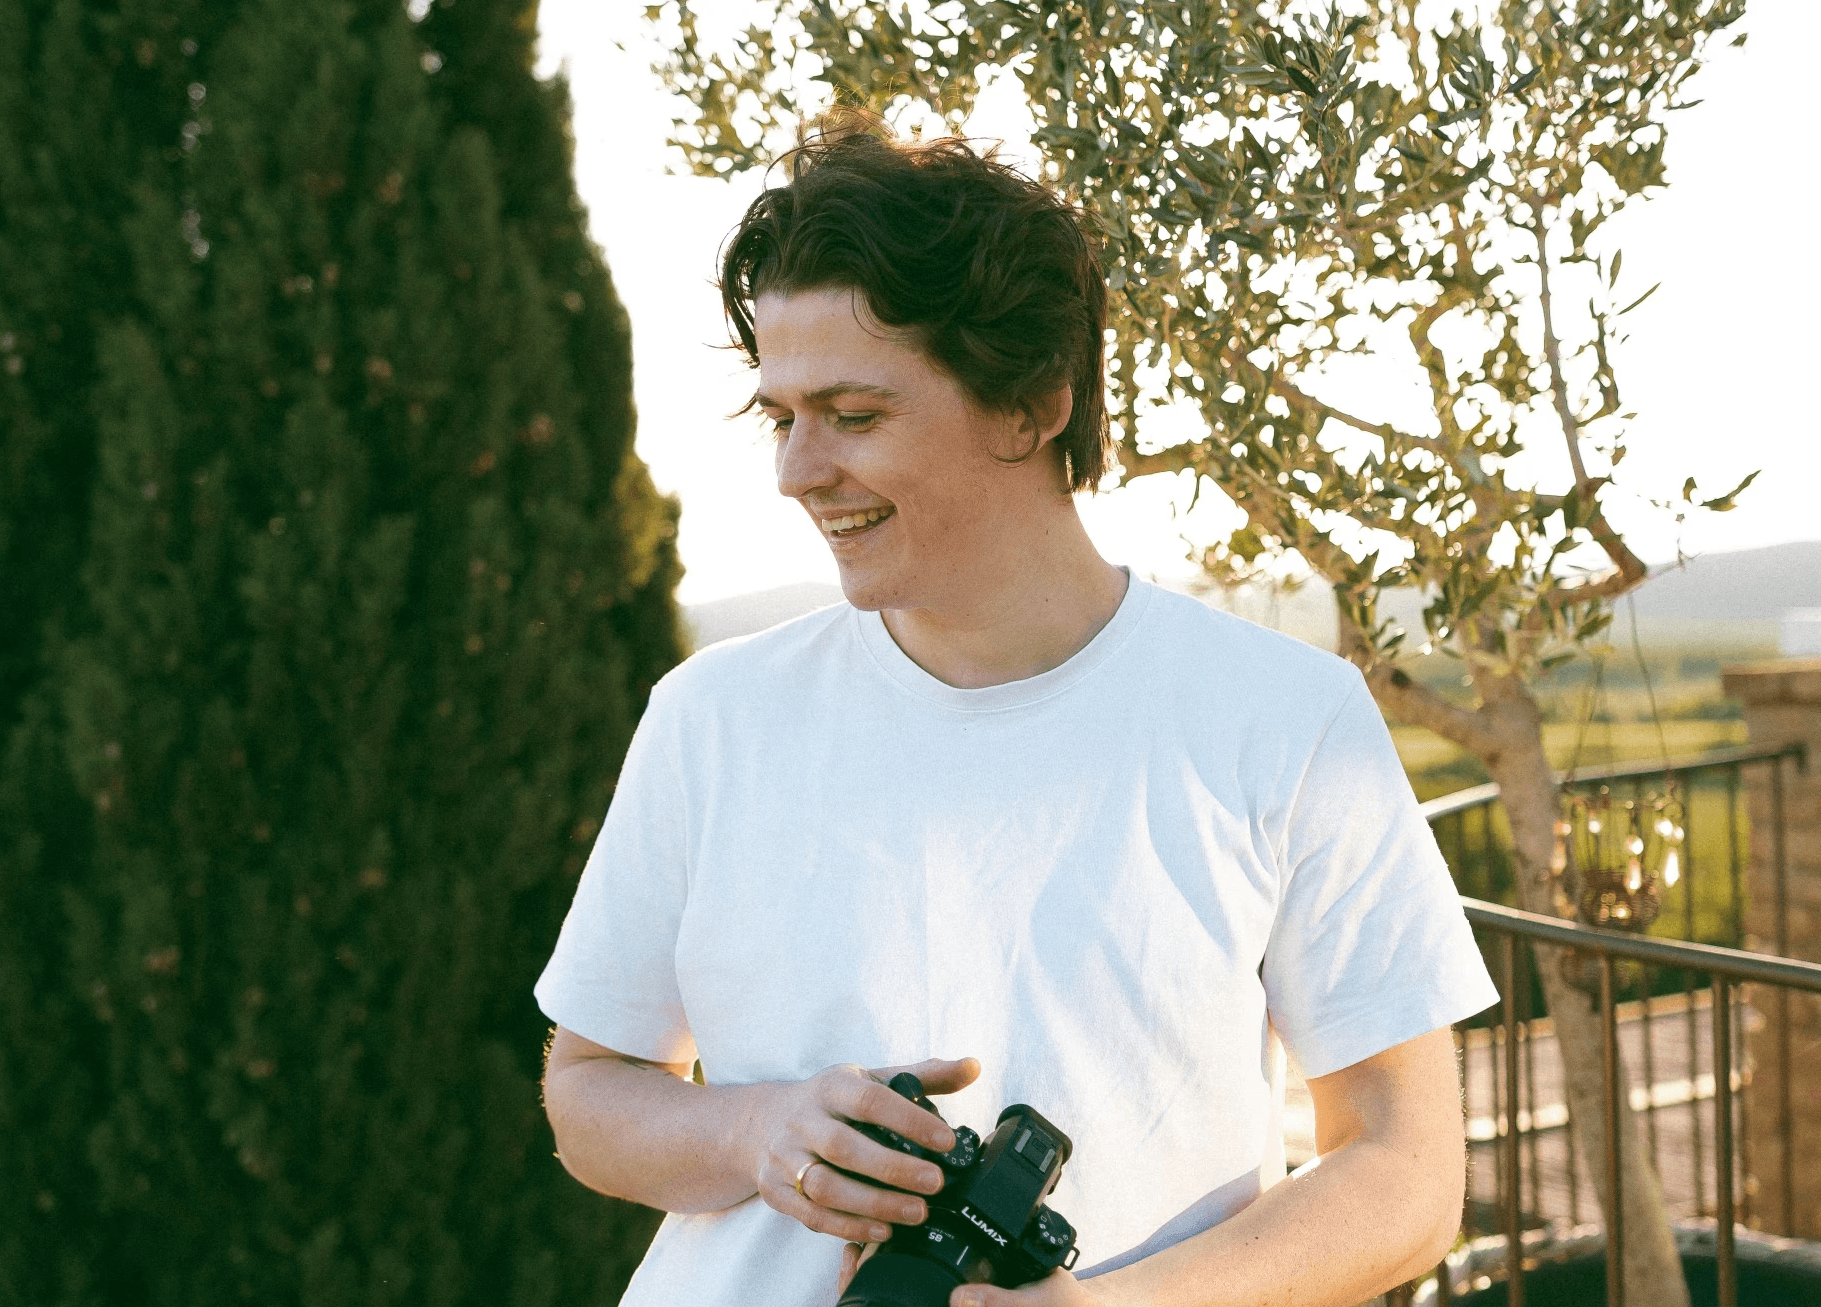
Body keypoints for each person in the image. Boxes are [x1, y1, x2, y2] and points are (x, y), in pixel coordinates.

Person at [535, 117, 1499, 1307]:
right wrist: (752, 1132)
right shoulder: (709, 716)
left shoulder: (1287, 720)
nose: (795, 470)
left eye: (854, 412)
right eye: (780, 415)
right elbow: (589, 1090)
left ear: (1033, 402)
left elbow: (1407, 1170)